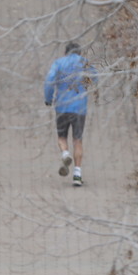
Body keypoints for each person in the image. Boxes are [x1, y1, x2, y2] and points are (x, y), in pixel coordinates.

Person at [44, 41, 97, 187]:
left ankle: (65, 154)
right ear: (79, 52)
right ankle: (77, 174)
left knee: (61, 137)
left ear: (65, 52)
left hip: (62, 106)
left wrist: (48, 99)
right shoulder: (85, 63)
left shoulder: (59, 63)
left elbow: (49, 80)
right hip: (79, 108)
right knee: (77, 140)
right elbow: (95, 78)